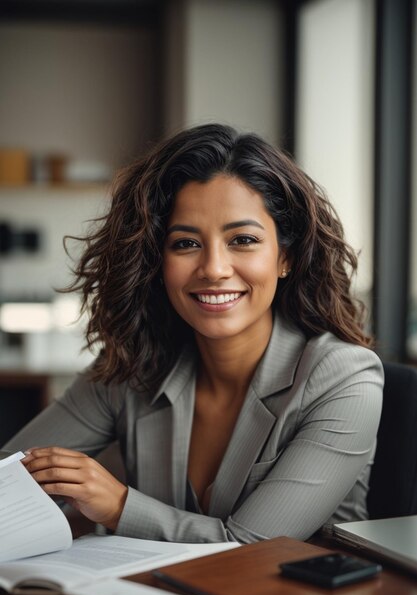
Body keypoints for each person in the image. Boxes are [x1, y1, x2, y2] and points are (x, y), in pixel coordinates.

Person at [3, 123, 383, 544]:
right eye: (185, 244)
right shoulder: (135, 366)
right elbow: (8, 475)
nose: (215, 269)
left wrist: (117, 506)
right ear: (155, 261)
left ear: (285, 258)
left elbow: (250, 547)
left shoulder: (344, 378)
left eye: (242, 239)